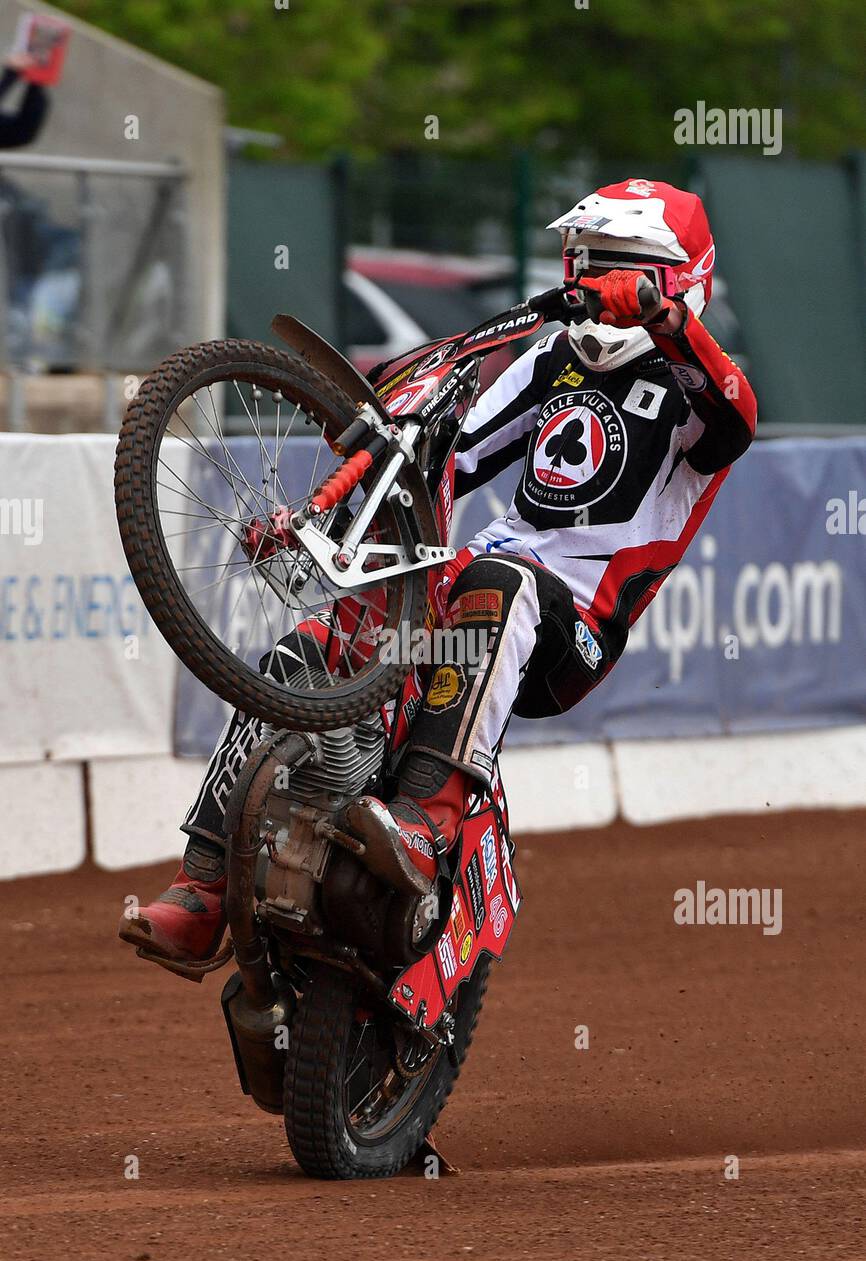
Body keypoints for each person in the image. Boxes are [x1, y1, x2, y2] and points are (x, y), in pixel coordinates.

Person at [120, 178, 757, 967]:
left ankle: (428, 820)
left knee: (503, 581)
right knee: (312, 646)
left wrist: (661, 316)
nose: (591, 280)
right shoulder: (556, 354)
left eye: (616, 264)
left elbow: (736, 418)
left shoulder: (696, 385)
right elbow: (460, 450)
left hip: (576, 632)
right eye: (585, 261)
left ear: (672, 273)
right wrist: (358, 491)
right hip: (474, 590)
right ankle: (204, 884)